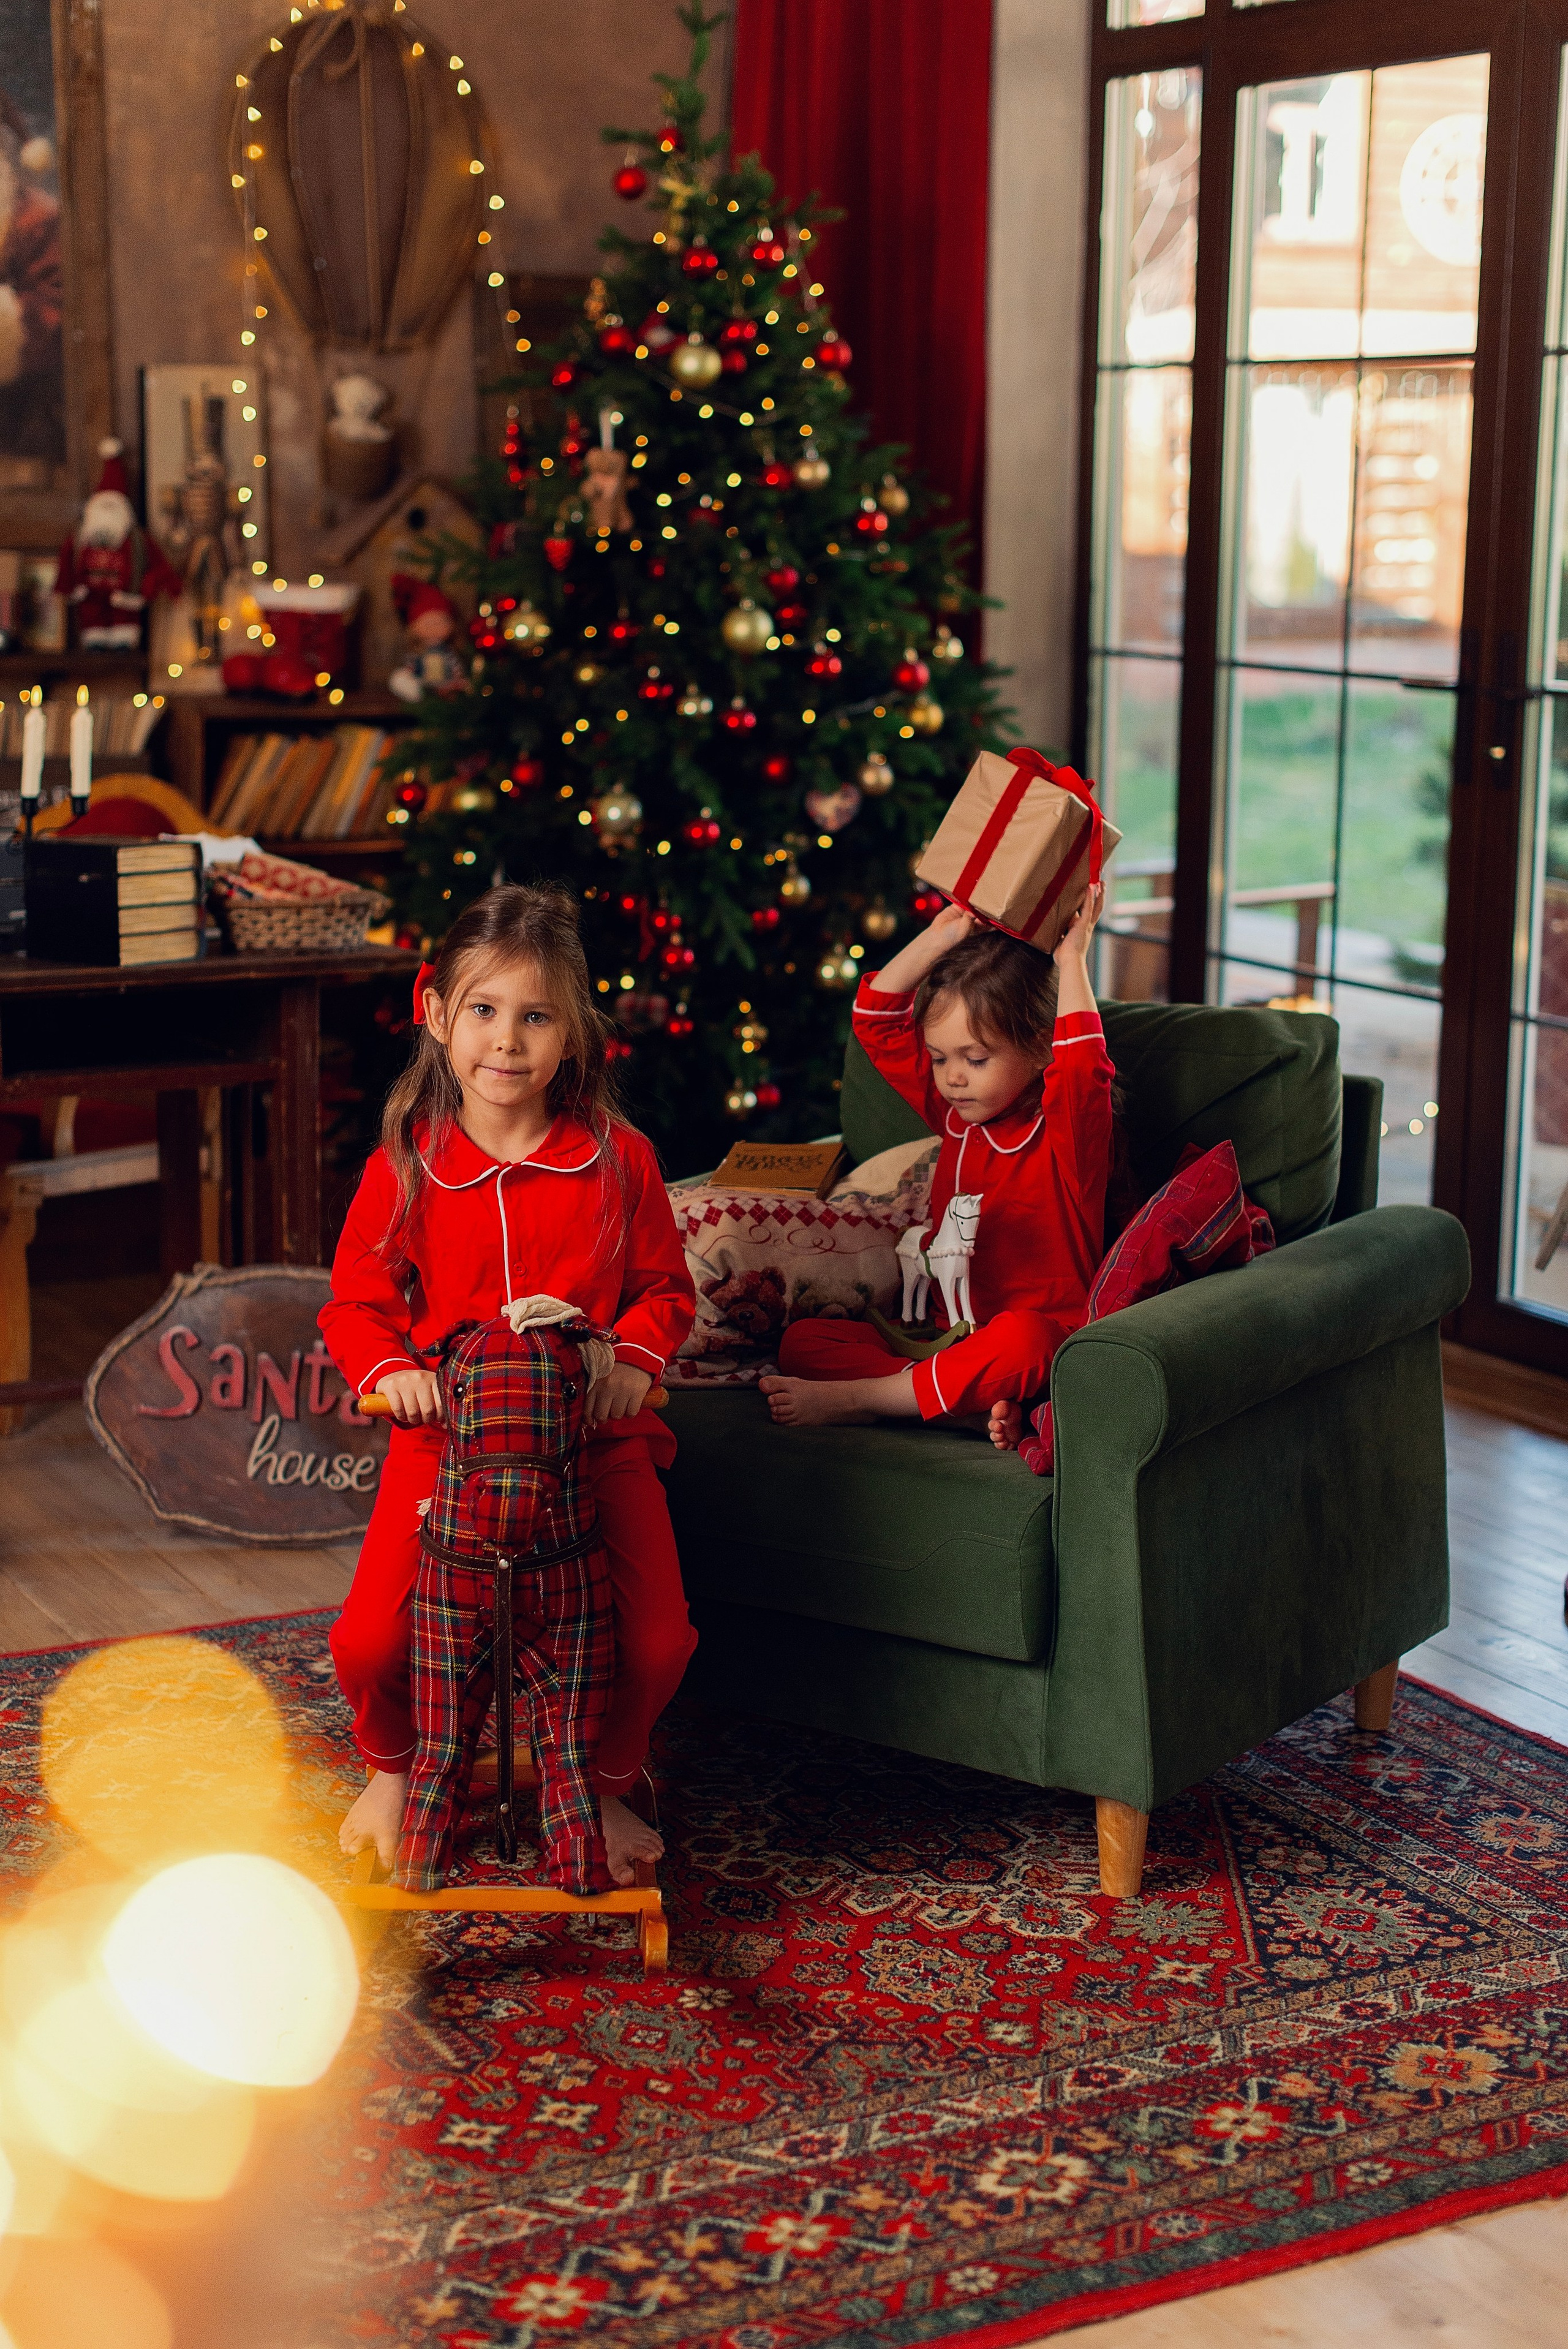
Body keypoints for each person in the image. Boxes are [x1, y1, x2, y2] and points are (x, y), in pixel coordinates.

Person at [318, 884, 697, 1884]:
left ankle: (605, 1780)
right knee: (367, 1642)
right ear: (437, 1013)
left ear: (572, 1036)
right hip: (449, 1445)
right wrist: (395, 1370)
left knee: (656, 1641)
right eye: (484, 1010)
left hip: (591, 1442)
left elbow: (665, 1291)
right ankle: (395, 1768)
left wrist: (632, 1362)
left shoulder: (619, 1161)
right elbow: (355, 1303)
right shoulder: (406, 1165)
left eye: (536, 1017)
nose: (507, 1040)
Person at [760, 888, 1112, 1450]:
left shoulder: (1065, 1135)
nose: (952, 1077)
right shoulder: (955, 1115)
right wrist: (943, 935)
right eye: (941, 1057)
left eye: (976, 1059)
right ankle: (952, 1409)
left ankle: (867, 1400)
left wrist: (1071, 960)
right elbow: (877, 1018)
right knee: (803, 1341)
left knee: (1028, 1341)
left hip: (1028, 1345)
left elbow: (1082, 1068)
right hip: (944, 1340)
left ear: (1039, 1048)